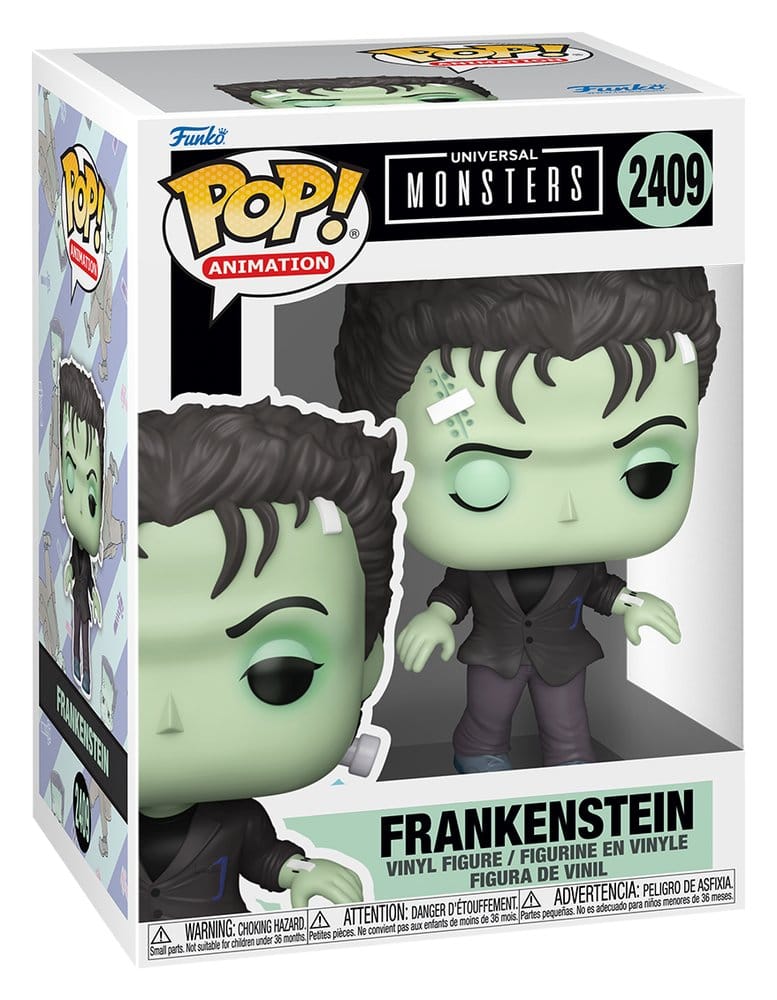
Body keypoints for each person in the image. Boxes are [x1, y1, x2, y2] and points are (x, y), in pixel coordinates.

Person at [335, 269, 720, 773]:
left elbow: (600, 588)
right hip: (493, 655)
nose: (568, 512)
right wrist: (436, 617)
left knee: (567, 721)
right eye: (481, 481)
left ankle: (571, 762)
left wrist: (634, 604)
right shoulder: (478, 565)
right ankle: (479, 754)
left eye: (646, 472)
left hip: (564, 656)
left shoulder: (579, 563)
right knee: (486, 716)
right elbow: (456, 592)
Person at [138, 399, 402, 918]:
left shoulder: (237, 819)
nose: (171, 718)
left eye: (279, 674)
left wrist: (304, 872)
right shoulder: (94, 806)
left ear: (369, 662)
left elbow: (267, 858)